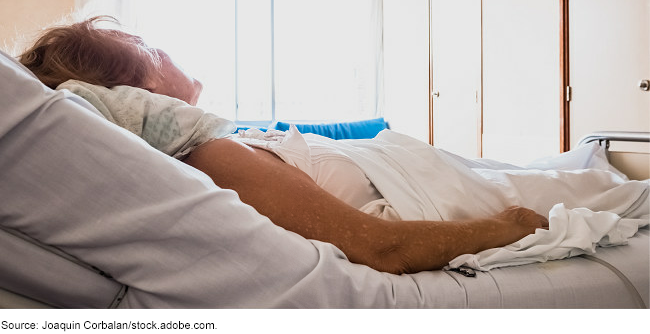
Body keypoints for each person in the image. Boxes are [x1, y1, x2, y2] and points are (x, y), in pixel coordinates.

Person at [19, 16, 549, 274]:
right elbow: (383, 246)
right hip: (465, 191)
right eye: (151, 48)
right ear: (145, 92)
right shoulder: (201, 152)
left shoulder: (204, 145)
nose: (167, 52)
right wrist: (510, 226)